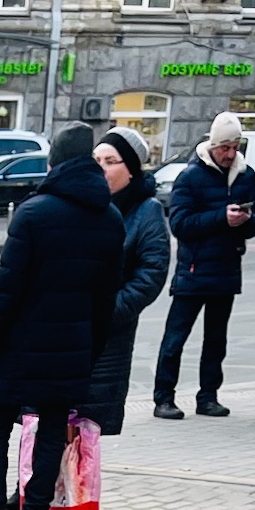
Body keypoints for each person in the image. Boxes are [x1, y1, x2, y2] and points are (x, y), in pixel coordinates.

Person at [0, 122, 122, 510]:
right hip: (73, 348)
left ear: (54, 161)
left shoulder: (34, 213)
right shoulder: (110, 219)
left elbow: (5, 291)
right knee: (51, 428)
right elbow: (105, 299)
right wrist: (91, 350)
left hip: (20, 346)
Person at [153, 112, 255, 420]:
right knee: (175, 338)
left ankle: (208, 397)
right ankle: (164, 398)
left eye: (235, 147)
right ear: (213, 145)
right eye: (225, 147)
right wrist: (221, 218)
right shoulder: (190, 177)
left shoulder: (245, 175)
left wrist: (244, 221)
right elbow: (179, 224)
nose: (230, 154)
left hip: (226, 270)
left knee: (216, 340)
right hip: (194, 270)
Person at [76, 127, 170, 435]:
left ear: (130, 169)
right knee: (51, 425)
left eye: (111, 160)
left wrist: (108, 312)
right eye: (97, 159)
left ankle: (73, 486)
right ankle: (43, 485)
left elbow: (151, 275)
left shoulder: (146, 210)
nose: (101, 167)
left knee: (86, 429)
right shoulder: (83, 204)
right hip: (68, 329)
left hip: (109, 336)